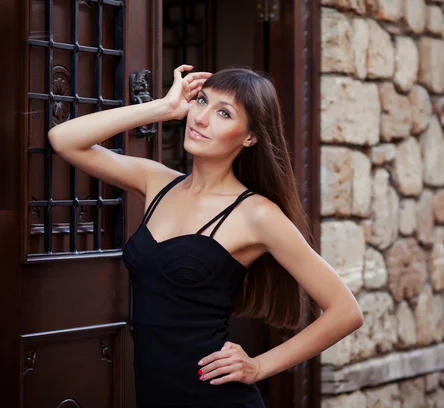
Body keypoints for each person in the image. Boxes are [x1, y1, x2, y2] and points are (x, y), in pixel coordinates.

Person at [48, 65, 363, 407]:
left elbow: (345, 311)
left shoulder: (256, 214)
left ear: (250, 137)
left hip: (215, 397)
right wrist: (163, 108)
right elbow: (64, 139)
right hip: (154, 393)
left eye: (223, 113)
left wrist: (259, 366)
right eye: (201, 101)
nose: (200, 118)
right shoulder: (156, 182)